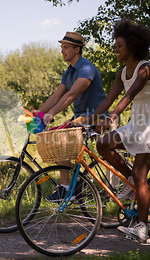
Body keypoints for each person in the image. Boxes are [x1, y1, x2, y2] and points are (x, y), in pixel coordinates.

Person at [85, 18, 150, 243]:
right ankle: (130, 182)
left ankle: (142, 228)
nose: (115, 49)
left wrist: (112, 116)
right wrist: (86, 119)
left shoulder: (145, 68)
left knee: (141, 173)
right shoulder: (122, 73)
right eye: (115, 45)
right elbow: (108, 100)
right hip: (138, 121)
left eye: (120, 45)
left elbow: (128, 97)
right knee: (103, 144)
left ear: (132, 46)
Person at [39, 31, 106, 201]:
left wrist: (52, 113)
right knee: (56, 138)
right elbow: (56, 96)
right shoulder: (69, 72)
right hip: (80, 119)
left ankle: (67, 189)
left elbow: (72, 95)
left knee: (60, 136)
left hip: (95, 117)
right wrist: (37, 115)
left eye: (66, 47)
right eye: (62, 47)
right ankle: (72, 187)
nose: (62, 50)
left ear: (77, 49)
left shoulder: (86, 68)